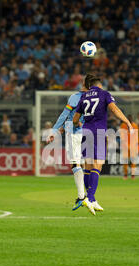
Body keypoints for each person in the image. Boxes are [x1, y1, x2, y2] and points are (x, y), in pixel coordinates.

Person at [73, 76, 133, 215]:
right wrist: (127, 122)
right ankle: (91, 198)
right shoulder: (104, 94)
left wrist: (81, 123)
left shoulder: (83, 97)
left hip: (85, 131)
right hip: (98, 132)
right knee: (98, 164)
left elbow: (76, 119)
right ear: (100, 85)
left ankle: (86, 198)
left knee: (88, 165)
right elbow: (115, 109)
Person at [47, 74, 94, 211]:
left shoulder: (75, 97)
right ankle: (90, 196)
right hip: (87, 133)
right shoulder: (94, 99)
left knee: (75, 164)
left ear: (84, 84)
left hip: (74, 133)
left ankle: (82, 197)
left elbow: (64, 114)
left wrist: (54, 130)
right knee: (84, 164)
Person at [120, 114, 139, 180]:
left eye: (130, 118)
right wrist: (125, 144)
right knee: (125, 161)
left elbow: (136, 136)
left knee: (133, 161)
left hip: (133, 146)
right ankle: (125, 175)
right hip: (125, 146)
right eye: (128, 118)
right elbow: (122, 136)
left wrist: (137, 145)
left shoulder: (135, 126)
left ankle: (133, 175)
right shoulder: (123, 125)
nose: (129, 120)